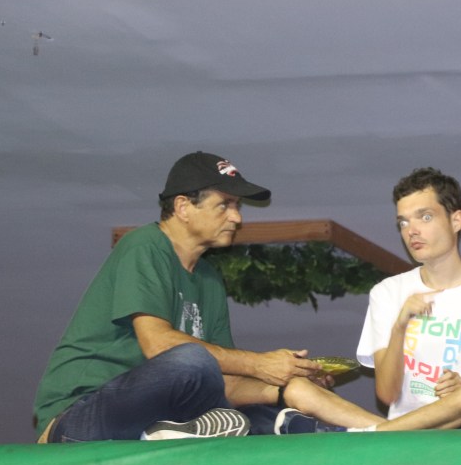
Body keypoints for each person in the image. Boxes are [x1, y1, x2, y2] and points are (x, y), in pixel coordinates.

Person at [33, 151, 330, 442]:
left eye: (237, 206)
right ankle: (168, 431)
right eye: (224, 205)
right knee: (192, 360)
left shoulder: (209, 279)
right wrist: (259, 364)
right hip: (78, 418)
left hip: (149, 418)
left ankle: (344, 432)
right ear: (183, 207)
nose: (237, 217)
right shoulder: (145, 245)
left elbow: (227, 382)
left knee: (269, 417)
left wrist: (286, 383)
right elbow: (158, 344)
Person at [355, 167, 461, 428]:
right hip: (399, 428)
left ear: (456, 221)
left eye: (425, 217)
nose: (412, 230)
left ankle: (376, 434)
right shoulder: (387, 292)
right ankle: (389, 433)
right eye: (403, 222)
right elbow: (387, 395)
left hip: (459, 429)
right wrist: (399, 327)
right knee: (300, 391)